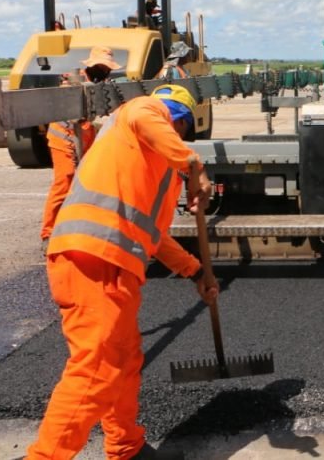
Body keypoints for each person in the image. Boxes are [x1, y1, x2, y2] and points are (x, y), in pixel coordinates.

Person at [27, 84, 218, 460]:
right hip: (93, 258)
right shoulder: (141, 110)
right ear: (177, 121)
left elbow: (155, 237)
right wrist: (192, 163)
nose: (178, 135)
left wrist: (196, 272)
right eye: (179, 127)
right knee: (96, 368)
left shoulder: (159, 172)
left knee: (123, 362)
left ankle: (126, 446)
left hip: (112, 266)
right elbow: (147, 118)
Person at [39, 46, 122, 243]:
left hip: (85, 141)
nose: (105, 70)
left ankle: (81, 227)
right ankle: (48, 233)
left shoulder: (102, 84)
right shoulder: (72, 83)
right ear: (92, 65)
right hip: (63, 139)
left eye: (107, 68)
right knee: (64, 182)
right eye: (102, 66)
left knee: (89, 184)